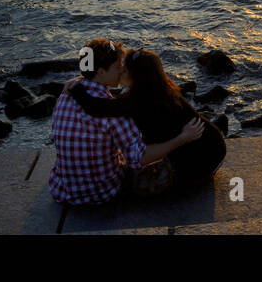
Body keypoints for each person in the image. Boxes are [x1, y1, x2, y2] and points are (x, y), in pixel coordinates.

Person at [48, 39, 202, 205]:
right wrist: (181, 139)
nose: (122, 69)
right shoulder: (116, 115)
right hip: (101, 192)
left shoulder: (66, 95)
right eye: (117, 66)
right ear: (100, 72)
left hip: (63, 189)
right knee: (146, 165)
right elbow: (139, 158)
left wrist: (80, 78)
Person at [67, 47, 226, 188]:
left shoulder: (138, 101)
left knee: (140, 187)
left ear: (136, 77)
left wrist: (75, 88)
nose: (121, 70)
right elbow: (118, 102)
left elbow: (97, 108)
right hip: (214, 146)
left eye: (124, 70)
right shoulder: (160, 90)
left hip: (204, 159)